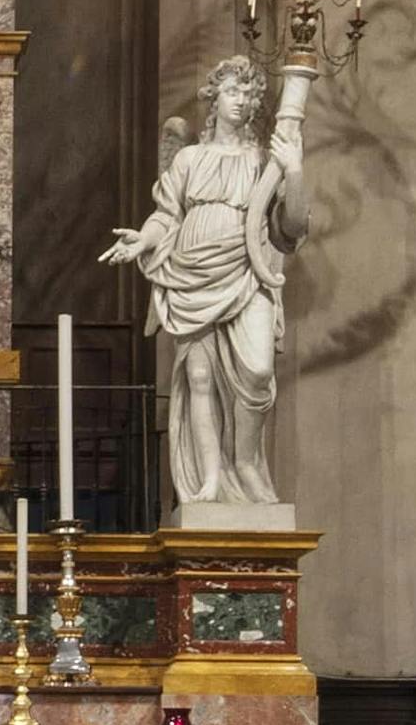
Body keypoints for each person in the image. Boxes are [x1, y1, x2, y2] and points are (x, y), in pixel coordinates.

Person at [116, 62, 311, 525]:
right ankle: (208, 479)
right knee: (199, 379)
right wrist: (144, 240)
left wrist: (294, 170)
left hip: (247, 270)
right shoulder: (189, 159)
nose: (240, 101)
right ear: (214, 98)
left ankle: (245, 462)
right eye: (231, 91)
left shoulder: (264, 160)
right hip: (191, 274)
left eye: (248, 94)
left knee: (258, 371)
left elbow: (290, 228)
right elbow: (167, 215)